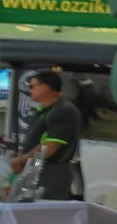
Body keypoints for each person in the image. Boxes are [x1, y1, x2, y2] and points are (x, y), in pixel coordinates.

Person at [7, 70, 82, 202]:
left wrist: (22, 160)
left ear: (46, 87)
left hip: (52, 173)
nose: (29, 90)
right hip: (37, 170)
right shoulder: (44, 111)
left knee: (45, 210)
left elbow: (49, 148)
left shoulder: (63, 110)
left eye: (32, 86)